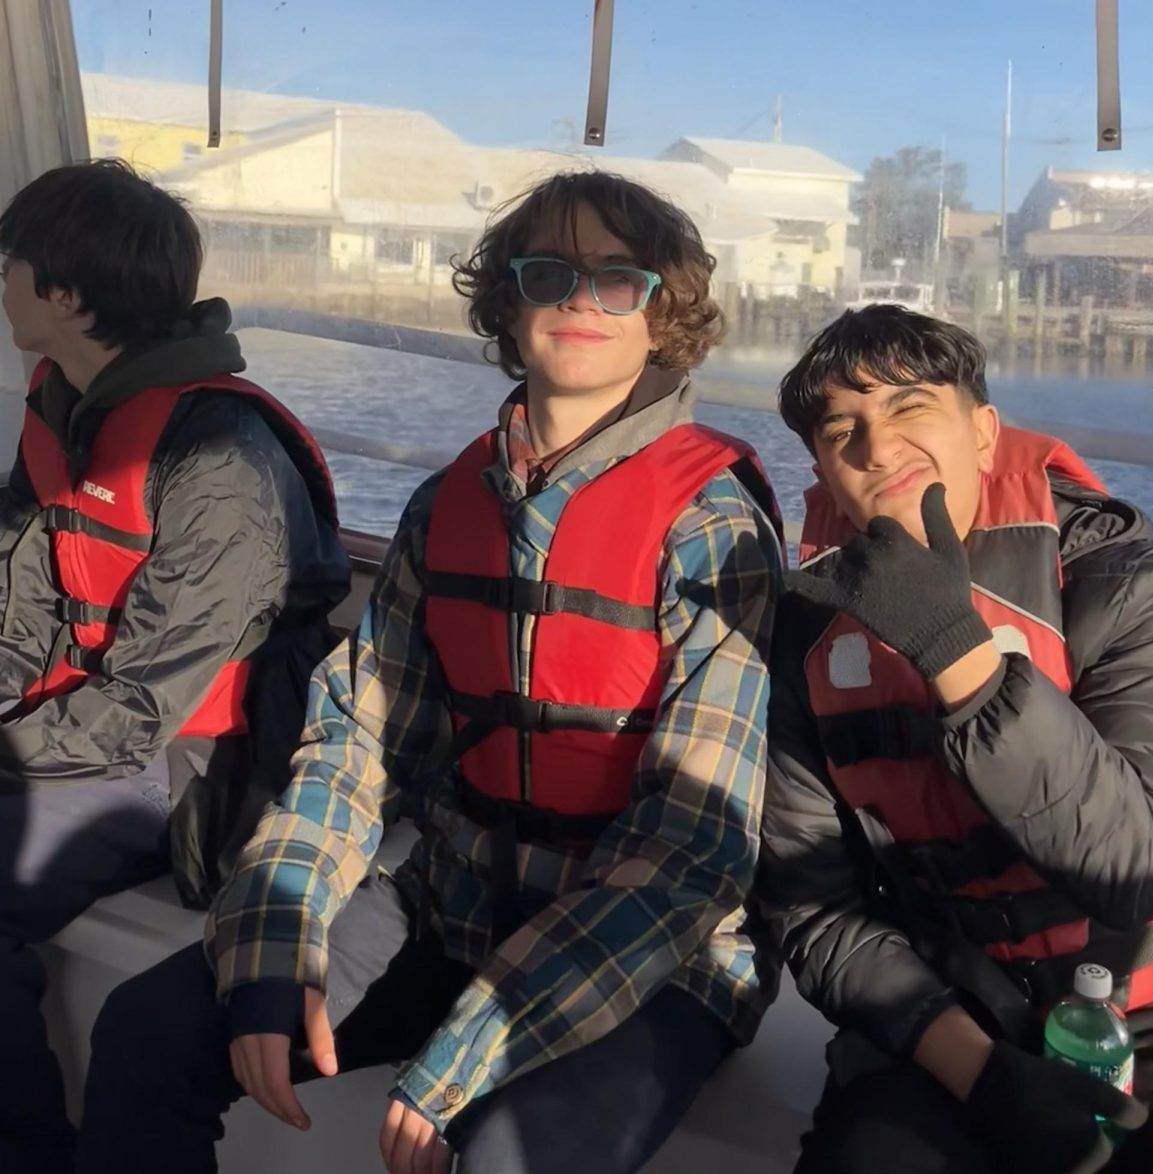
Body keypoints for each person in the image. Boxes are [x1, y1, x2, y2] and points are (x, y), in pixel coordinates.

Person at [77, 169, 785, 1174]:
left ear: (663, 312)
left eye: (619, 280)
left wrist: (464, 1056)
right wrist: (275, 941)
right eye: (550, 274)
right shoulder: (444, 505)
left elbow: (690, 853)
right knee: (151, 1031)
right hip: (451, 909)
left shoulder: (714, 527)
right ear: (508, 302)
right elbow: (354, 747)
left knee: (504, 1153)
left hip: (655, 959)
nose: (582, 301)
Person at [758, 304, 1153, 1174]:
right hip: (950, 1011)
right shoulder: (804, 629)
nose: (876, 449)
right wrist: (982, 1073)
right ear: (820, 466)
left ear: (986, 432)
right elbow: (812, 906)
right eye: (842, 429)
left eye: (911, 408)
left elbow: (1144, 869)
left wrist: (955, 653)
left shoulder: (1125, 585)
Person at [0, 159, 349, 1174]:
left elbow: (149, 708)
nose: (2, 280)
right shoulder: (70, 408)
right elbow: (20, 606)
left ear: (65, 293)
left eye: (11, 263)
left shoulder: (222, 458)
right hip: (87, 732)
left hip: (191, 766)